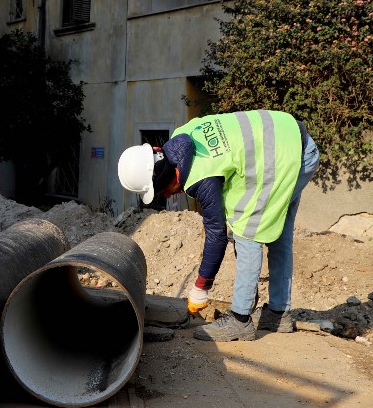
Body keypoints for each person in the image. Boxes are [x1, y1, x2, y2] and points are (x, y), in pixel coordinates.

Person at [117, 109, 319, 341]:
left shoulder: (201, 177)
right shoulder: (182, 136)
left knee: (246, 230)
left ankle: (240, 321)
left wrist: (201, 287)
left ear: (163, 179)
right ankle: (278, 313)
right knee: (279, 233)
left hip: (286, 157)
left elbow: (217, 235)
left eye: (163, 192)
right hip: (292, 141)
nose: (171, 195)